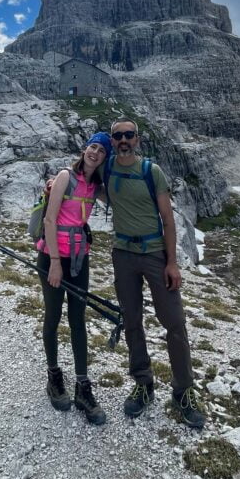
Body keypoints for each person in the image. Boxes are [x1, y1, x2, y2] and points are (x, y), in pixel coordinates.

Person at [106, 117, 205, 429]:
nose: (124, 140)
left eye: (129, 135)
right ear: (112, 140)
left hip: (153, 254)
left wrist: (171, 262)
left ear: (137, 139)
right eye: (118, 135)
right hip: (123, 253)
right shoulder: (107, 168)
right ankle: (143, 383)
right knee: (132, 320)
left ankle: (184, 390)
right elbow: (80, 176)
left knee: (174, 323)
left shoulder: (152, 171)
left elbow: (168, 218)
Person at [36, 132, 112, 426]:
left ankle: (82, 385)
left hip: (79, 258)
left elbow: (119, 199)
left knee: (78, 319)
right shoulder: (65, 177)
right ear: (85, 149)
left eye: (101, 151)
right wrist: (55, 262)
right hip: (53, 257)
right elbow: (49, 220)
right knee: (53, 315)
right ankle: (54, 376)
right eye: (93, 146)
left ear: (105, 158)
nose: (95, 152)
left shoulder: (97, 187)